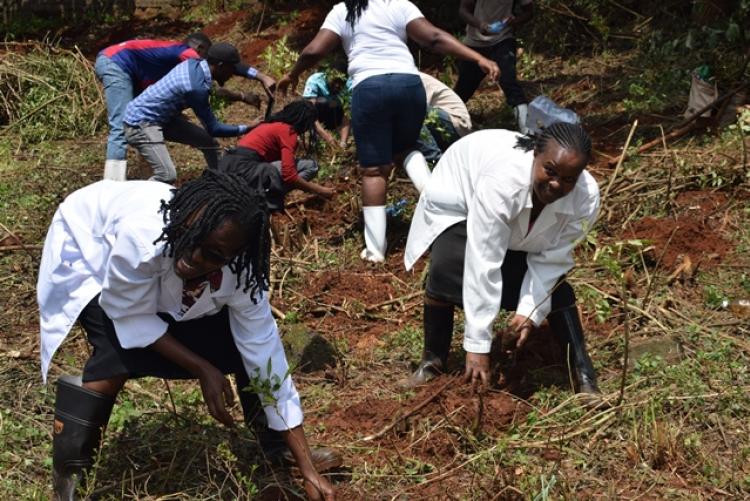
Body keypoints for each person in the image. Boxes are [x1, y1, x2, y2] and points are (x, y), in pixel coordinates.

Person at [38, 170, 338, 500]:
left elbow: (267, 359)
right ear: (184, 221)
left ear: (233, 257)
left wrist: (307, 467)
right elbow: (129, 313)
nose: (192, 257)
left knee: (239, 345)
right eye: (192, 238)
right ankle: (71, 482)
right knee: (115, 353)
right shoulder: (143, 237)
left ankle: (275, 447)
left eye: (213, 254)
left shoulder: (242, 275)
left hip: (153, 266)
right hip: (88, 249)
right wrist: (202, 368)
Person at [276, 0, 499, 263]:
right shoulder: (400, 5)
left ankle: (375, 250)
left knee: (374, 170)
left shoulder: (344, 11)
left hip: (370, 89)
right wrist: (478, 57)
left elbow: (314, 50)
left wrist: (293, 74)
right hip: (410, 86)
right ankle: (445, 216)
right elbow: (434, 38)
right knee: (407, 148)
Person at [403, 123, 603, 404]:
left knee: (557, 290)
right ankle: (432, 361)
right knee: (447, 267)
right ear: (535, 155)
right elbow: (483, 259)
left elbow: (552, 259)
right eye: (551, 170)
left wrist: (528, 312)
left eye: (569, 178)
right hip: (459, 199)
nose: (557, 184)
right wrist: (477, 345)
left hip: (514, 224)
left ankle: (584, 375)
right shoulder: (502, 182)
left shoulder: (586, 199)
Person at [122, 43, 257, 184]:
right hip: (140, 123)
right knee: (167, 175)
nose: (233, 74)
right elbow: (214, 129)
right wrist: (247, 128)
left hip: (163, 118)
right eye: (232, 69)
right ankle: (135, 199)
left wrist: (260, 77)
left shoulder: (197, 63)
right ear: (221, 66)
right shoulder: (196, 88)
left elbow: (224, 80)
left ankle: (221, 186)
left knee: (209, 144)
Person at [219, 100, 335, 205]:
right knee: (311, 166)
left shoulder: (270, 125)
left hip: (227, 165)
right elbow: (289, 175)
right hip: (246, 169)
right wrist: (320, 190)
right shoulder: (288, 131)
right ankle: (268, 197)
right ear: (304, 122)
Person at [454, 0, 533, 134]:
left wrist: (514, 21)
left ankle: (528, 132)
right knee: (463, 89)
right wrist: (479, 24)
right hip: (475, 43)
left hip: (502, 39)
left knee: (509, 83)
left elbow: (529, 11)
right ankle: (443, 126)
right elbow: (463, 10)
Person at [414, 71, 472, 167]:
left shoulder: (409, 81)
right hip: (441, 128)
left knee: (408, 108)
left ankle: (435, 162)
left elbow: (414, 117)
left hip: (456, 125)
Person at [302, 68, 352, 149]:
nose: (337, 85)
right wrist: (326, 136)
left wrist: (343, 144)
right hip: (314, 112)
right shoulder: (315, 80)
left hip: (331, 111)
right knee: (324, 101)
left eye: (340, 83)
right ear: (328, 75)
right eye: (335, 81)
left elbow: (346, 117)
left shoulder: (347, 85)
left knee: (336, 103)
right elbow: (309, 110)